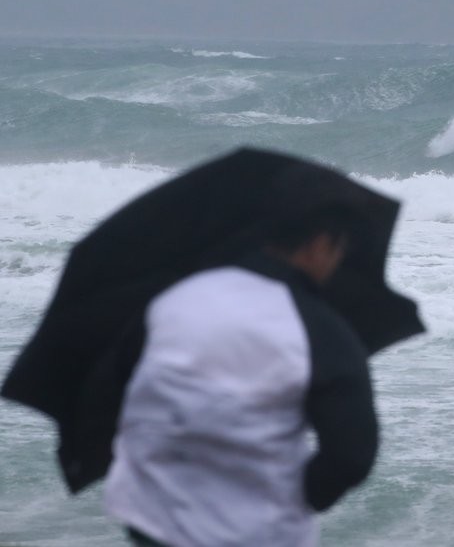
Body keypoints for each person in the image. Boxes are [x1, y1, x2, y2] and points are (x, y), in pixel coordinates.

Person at [103, 207, 379, 546]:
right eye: (339, 249)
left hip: (152, 517)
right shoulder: (320, 328)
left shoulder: (179, 296)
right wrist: (302, 496)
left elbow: (122, 383)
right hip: (254, 532)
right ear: (319, 245)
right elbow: (352, 455)